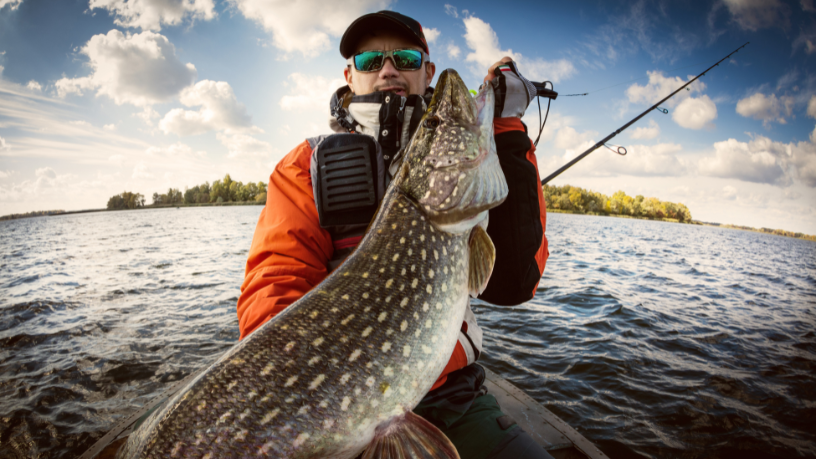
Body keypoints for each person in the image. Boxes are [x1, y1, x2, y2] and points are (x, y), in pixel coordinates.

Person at [238, 10, 551, 459]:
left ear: (426, 71)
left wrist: (506, 126)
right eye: (370, 61)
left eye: (404, 57)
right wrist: (320, 404)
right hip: (326, 408)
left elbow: (515, 282)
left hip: (451, 399)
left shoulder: (473, 180)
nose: (387, 70)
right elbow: (273, 287)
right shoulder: (302, 167)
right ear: (350, 75)